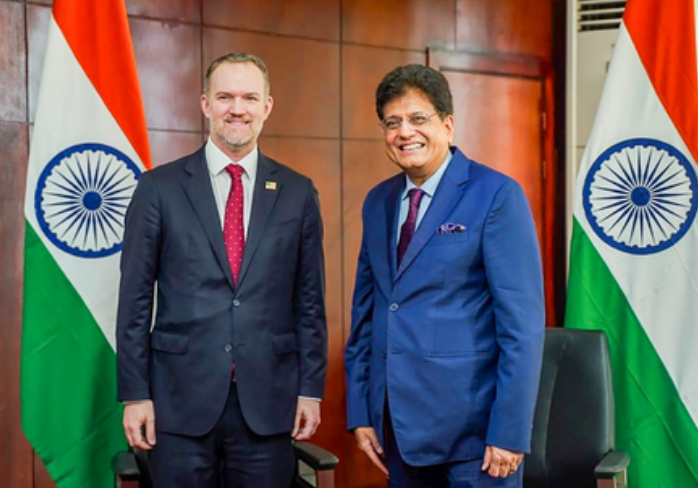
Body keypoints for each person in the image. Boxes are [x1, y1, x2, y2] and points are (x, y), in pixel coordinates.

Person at [116, 53, 327, 488]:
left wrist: (310, 389)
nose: (237, 109)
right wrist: (135, 394)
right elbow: (134, 300)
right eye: (225, 97)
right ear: (205, 104)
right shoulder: (158, 188)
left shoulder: (298, 192)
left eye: (249, 98)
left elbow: (309, 302)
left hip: (269, 404)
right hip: (177, 404)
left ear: (267, 106)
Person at [344, 64, 545, 487]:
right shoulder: (378, 202)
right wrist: (361, 411)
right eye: (392, 122)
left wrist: (509, 432)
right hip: (398, 431)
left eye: (418, 118)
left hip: (477, 440)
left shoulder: (496, 195)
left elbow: (522, 328)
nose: (405, 132)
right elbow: (366, 315)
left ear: (448, 124)